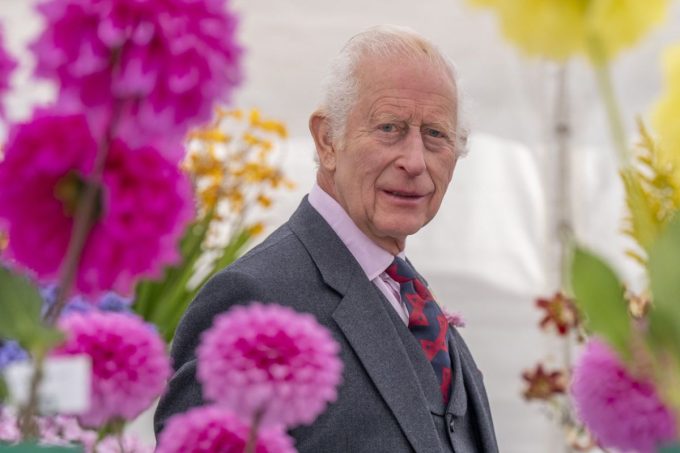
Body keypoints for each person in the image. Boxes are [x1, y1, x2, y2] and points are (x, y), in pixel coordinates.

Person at [155, 25, 498, 453]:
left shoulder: (408, 296)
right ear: (327, 140)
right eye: (389, 127)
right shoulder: (254, 299)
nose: (414, 161)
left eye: (435, 135)